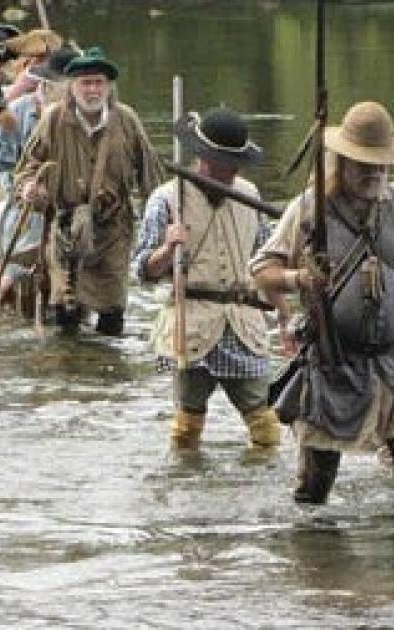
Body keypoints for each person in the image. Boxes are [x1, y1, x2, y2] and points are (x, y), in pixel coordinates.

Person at [251, 101, 394, 507]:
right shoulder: (310, 208)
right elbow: (262, 270)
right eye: (364, 164)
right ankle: (316, 562)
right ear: (342, 162)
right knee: (316, 484)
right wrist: (299, 278)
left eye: (381, 165)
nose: (374, 173)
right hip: (335, 361)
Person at [133, 108, 282, 451]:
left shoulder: (249, 194)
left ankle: (260, 483)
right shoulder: (167, 199)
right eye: (221, 165)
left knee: (265, 425)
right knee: (187, 425)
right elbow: (143, 270)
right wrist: (168, 249)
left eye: (234, 166)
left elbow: (265, 261)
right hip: (193, 320)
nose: (229, 174)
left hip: (243, 323)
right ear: (201, 159)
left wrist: (284, 315)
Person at [16, 46, 164, 336]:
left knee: (112, 308)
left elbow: (151, 176)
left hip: (113, 229)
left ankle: (106, 369)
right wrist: (30, 189)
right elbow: (26, 169)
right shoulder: (54, 120)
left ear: (109, 87)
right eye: (86, 82)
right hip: (66, 228)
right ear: (72, 87)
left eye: (99, 82)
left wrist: (159, 225)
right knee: (65, 308)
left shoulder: (126, 120)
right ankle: (71, 370)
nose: (93, 89)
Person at [0, 46, 75, 310]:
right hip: (23, 210)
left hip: (65, 211)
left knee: (67, 288)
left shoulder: (79, 116)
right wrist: (22, 188)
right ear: (50, 84)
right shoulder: (21, 110)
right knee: (17, 284)